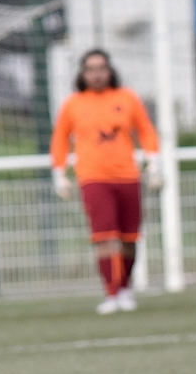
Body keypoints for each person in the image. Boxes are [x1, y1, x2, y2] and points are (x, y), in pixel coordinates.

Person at [51, 49, 163, 314]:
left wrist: (154, 162)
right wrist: (59, 173)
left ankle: (124, 288)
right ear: (82, 73)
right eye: (90, 69)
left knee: (129, 238)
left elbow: (145, 130)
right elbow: (60, 139)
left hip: (127, 176)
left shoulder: (127, 98)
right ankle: (111, 293)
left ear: (109, 70)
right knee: (105, 237)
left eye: (101, 68)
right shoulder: (73, 104)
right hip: (93, 177)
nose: (97, 74)